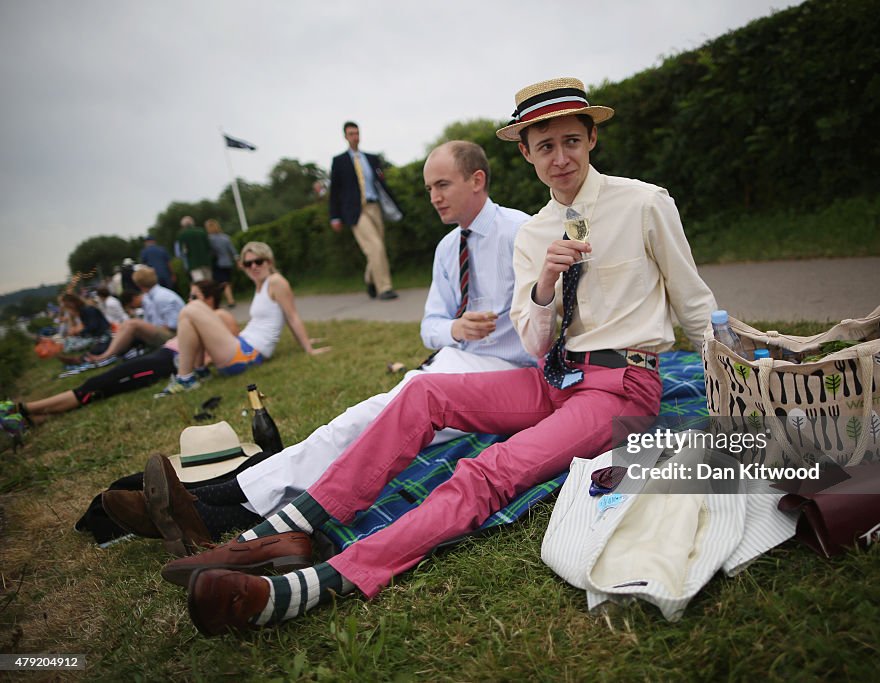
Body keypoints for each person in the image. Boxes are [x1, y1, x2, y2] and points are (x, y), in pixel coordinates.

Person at [169, 77, 717, 636]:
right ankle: (293, 524)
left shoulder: (645, 203)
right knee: (421, 392)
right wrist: (547, 282)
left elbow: (694, 302)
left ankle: (314, 583)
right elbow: (533, 343)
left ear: (592, 138)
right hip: (554, 377)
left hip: (620, 386)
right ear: (524, 152)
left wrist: (729, 374)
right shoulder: (535, 235)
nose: (560, 158)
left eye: (571, 141)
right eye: (545, 146)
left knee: (487, 470)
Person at [101, 140, 535, 550]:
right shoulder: (446, 248)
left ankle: (213, 501)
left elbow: (554, 323)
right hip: (455, 361)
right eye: (428, 188)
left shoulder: (522, 233)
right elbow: (430, 326)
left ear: (476, 180)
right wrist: (456, 329)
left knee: (367, 419)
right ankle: (213, 502)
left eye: (443, 185)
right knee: (357, 422)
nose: (434, 197)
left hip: (508, 373)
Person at [17, 281, 237, 421]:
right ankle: (39, 415)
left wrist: (199, 366)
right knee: (106, 384)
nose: (190, 302)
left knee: (101, 383)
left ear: (209, 299)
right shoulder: (202, 317)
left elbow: (227, 348)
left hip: (169, 360)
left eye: (194, 297)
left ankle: (26, 408)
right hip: (164, 353)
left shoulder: (220, 315)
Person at [155, 242, 328, 396]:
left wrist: (308, 348)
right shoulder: (260, 286)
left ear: (269, 261)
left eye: (258, 261)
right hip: (241, 346)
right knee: (191, 312)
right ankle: (199, 371)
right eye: (248, 263)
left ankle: (185, 379)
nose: (253, 266)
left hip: (246, 354)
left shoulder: (276, 281)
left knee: (191, 309)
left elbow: (292, 316)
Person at [329, 121, 400, 301]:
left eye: (357, 133)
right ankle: (384, 288)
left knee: (377, 248)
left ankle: (370, 278)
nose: (355, 137)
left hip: (374, 206)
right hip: (356, 211)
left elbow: (382, 183)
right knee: (374, 246)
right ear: (345, 136)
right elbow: (335, 191)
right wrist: (334, 216)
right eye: (351, 133)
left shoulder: (371, 158)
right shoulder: (340, 162)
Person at [85, 266, 185, 364]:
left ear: (139, 284)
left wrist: (150, 327)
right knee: (128, 324)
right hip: (169, 333)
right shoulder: (152, 296)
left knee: (132, 324)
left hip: (176, 336)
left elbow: (174, 325)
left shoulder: (161, 297)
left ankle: (106, 355)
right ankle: (109, 354)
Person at [204, 219, 238, 307]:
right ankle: (230, 299)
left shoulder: (209, 239)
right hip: (228, 263)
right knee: (227, 282)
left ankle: (229, 300)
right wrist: (237, 260)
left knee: (222, 283)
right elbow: (233, 251)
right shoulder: (225, 237)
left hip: (217, 263)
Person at [176, 216, 213, 283]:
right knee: (209, 282)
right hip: (206, 261)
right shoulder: (201, 231)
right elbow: (208, 247)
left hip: (193, 264)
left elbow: (183, 251)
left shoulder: (183, 234)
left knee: (200, 284)